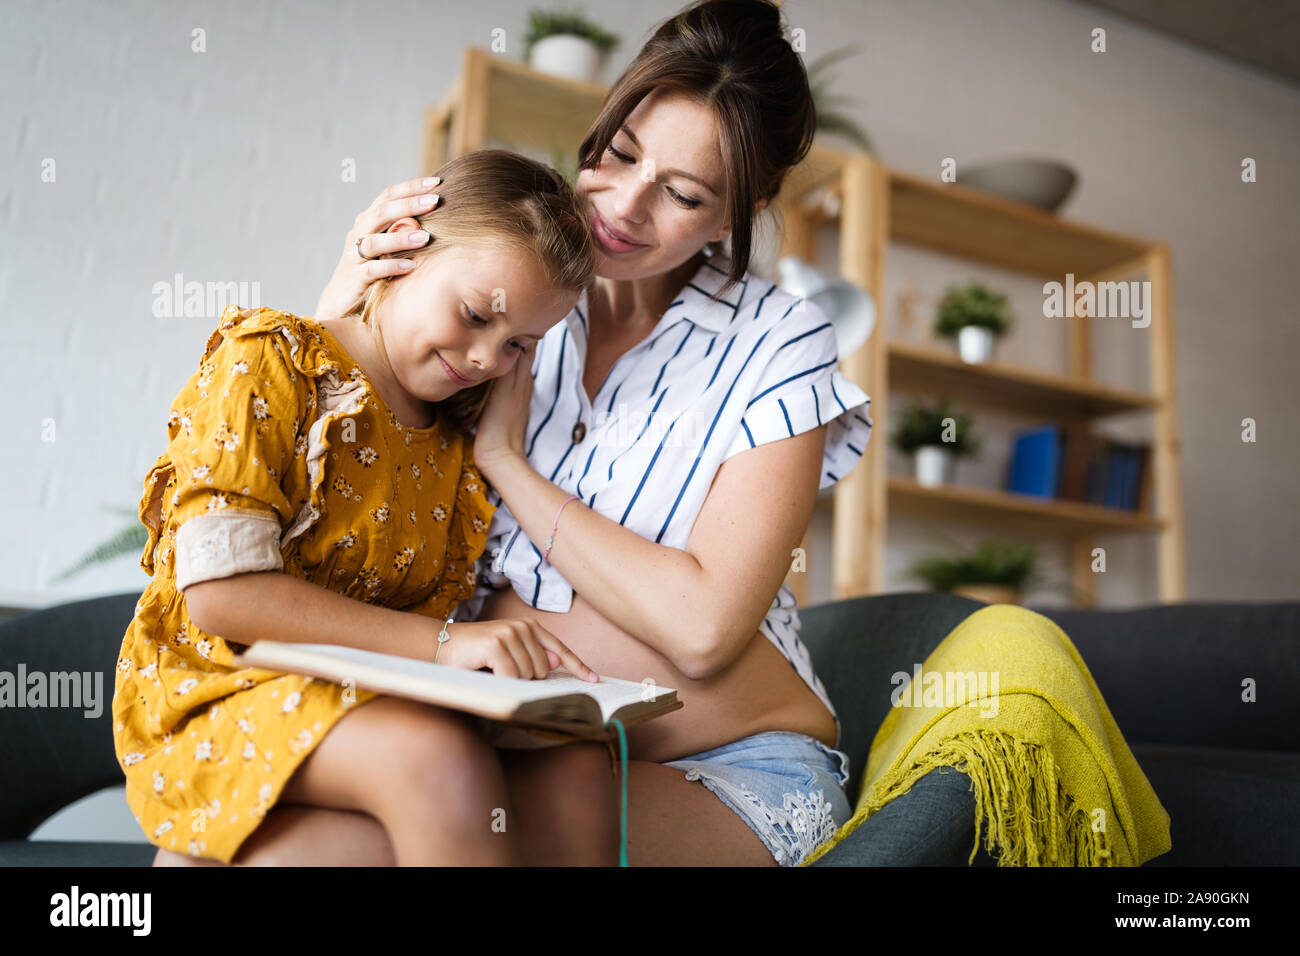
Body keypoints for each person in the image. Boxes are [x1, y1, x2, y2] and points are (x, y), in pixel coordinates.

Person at [306, 0, 875, 867]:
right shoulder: (503, 283)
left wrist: (507, 462)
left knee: (352, 856)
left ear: (738, 212)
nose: (625, 206)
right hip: (502, 739)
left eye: (684, 194)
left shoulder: (776, 341)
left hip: (721, 767)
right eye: (619, 154)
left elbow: (702, 630)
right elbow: (327, 499)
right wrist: (344, 312)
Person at [115, 148, 621, 866]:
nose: (484, 359)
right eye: (475, 315)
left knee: (573, 760)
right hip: (226, 687)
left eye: (518, 345)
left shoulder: (452, 447)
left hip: (368, 696)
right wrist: (448, 647)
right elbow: (222, 597)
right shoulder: (269, 362)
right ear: (401, 251)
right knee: (435, 759)